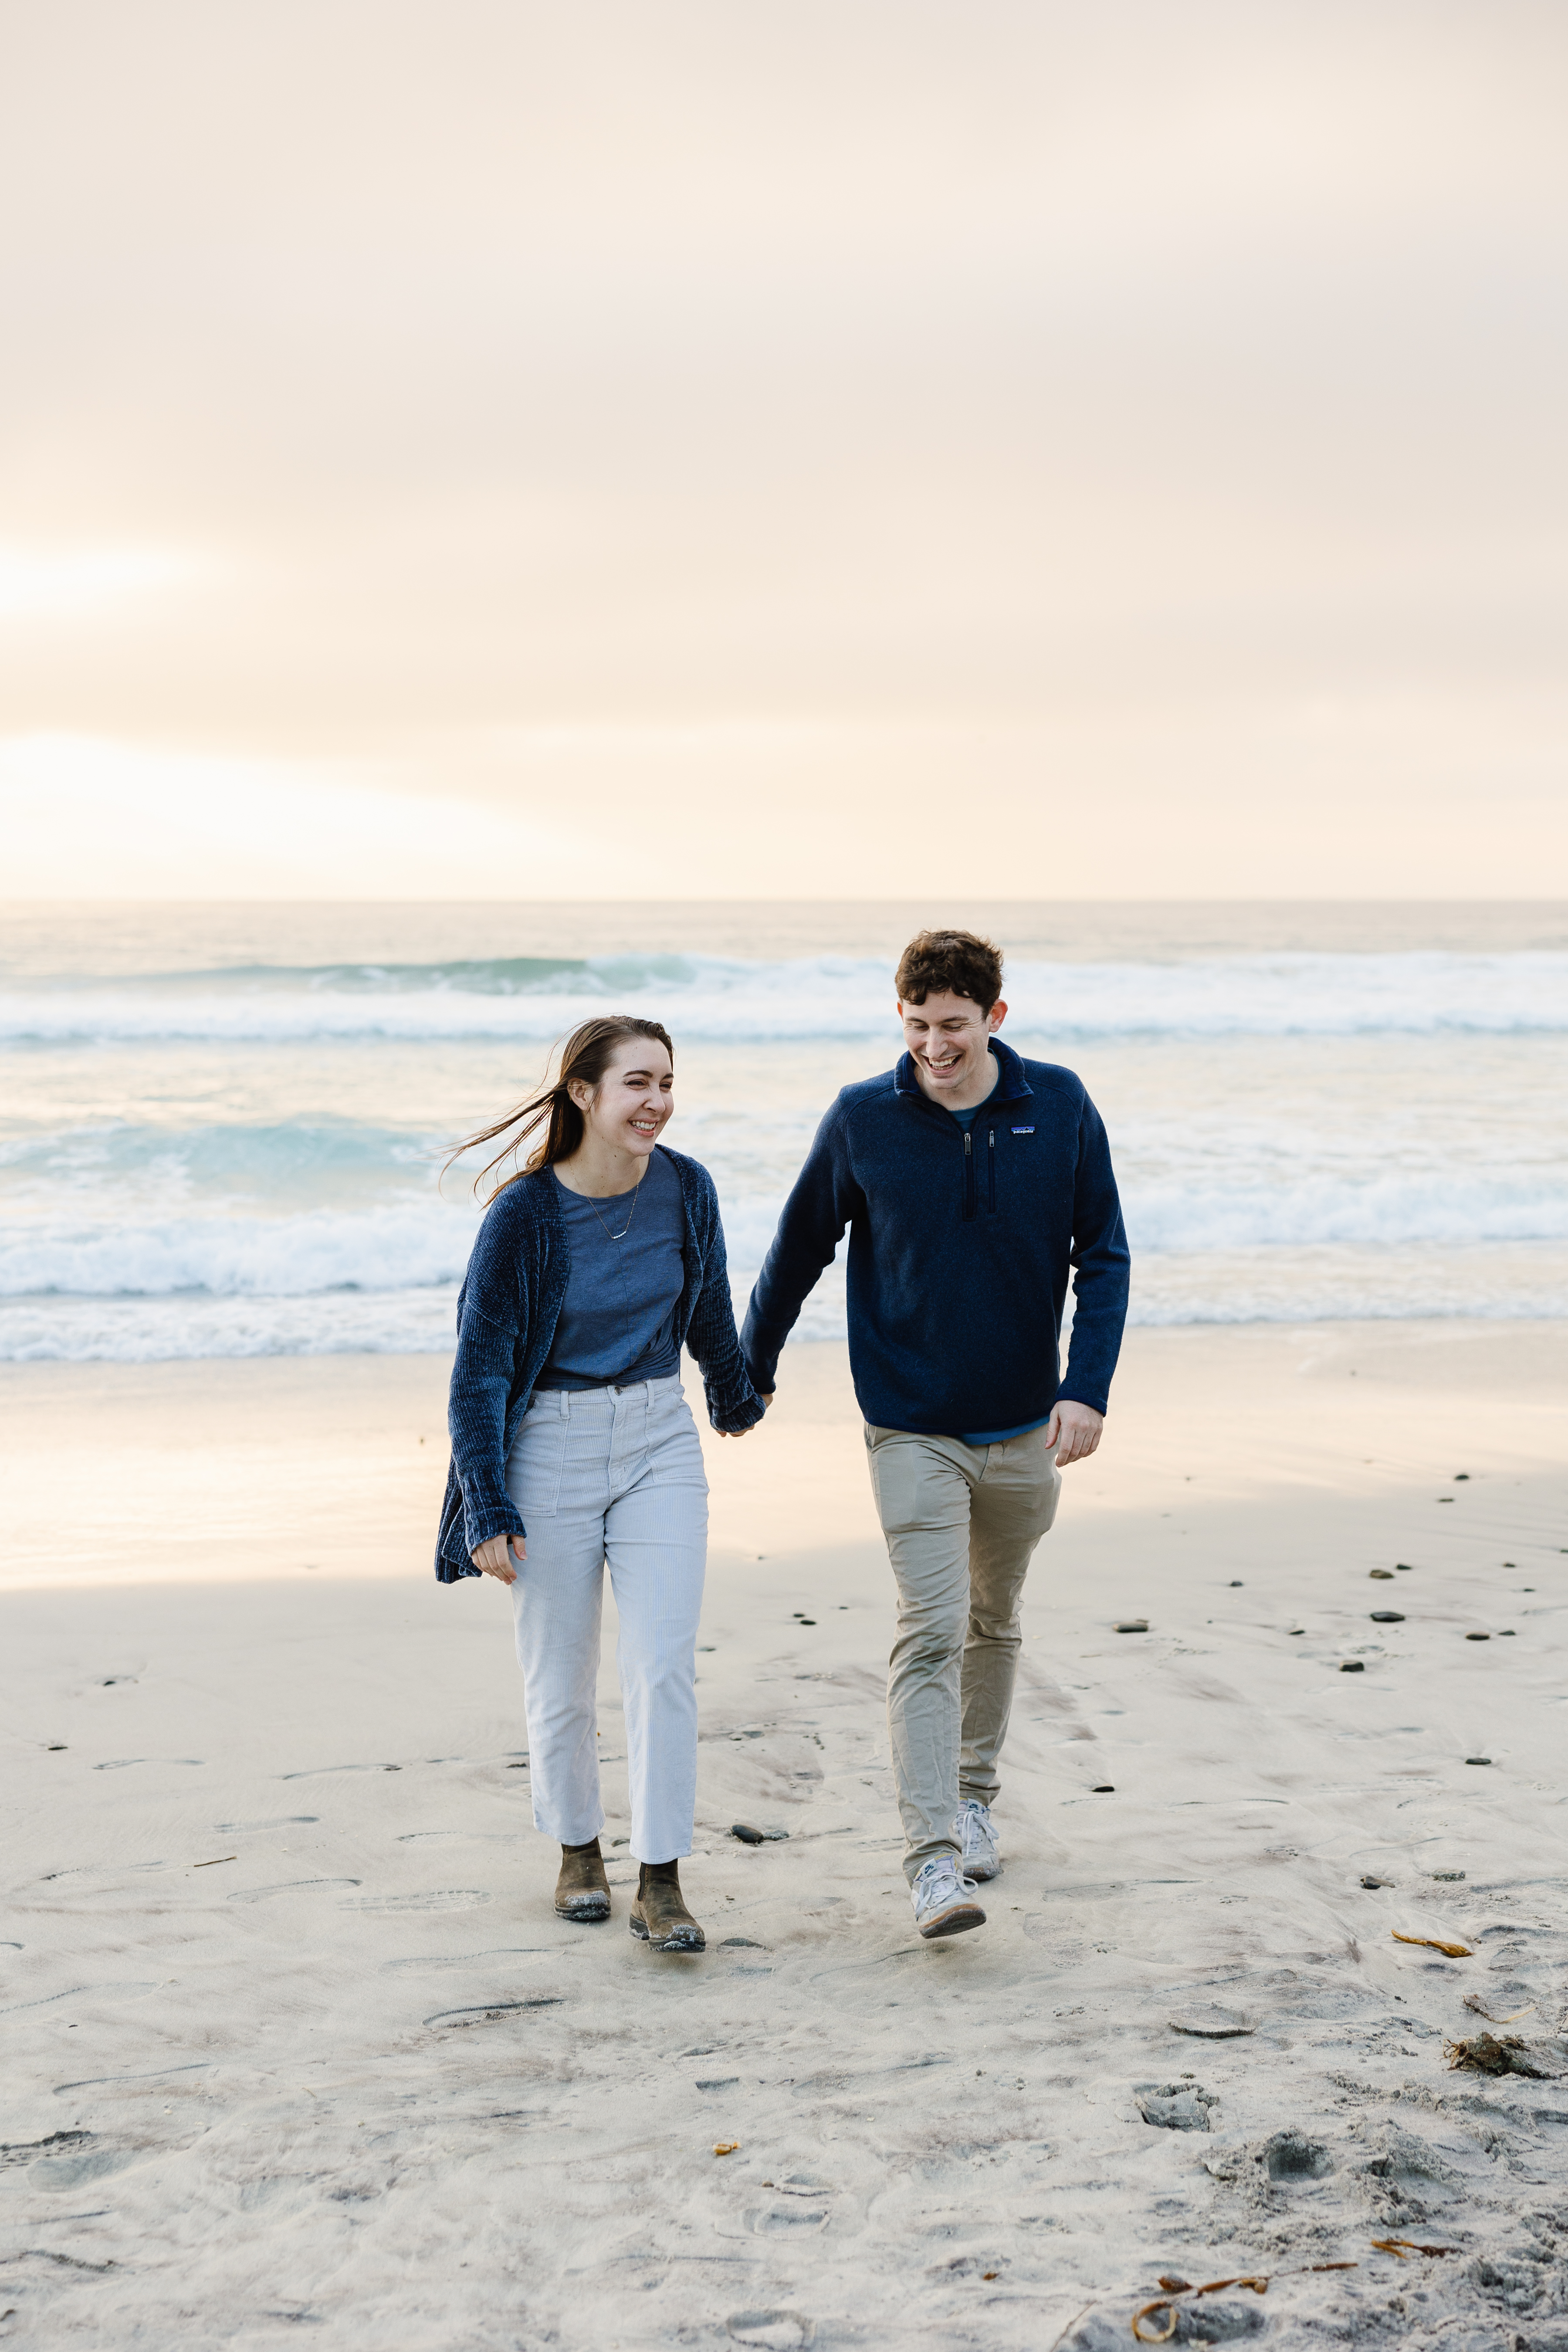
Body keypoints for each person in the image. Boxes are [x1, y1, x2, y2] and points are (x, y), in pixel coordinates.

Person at [742, 930, 1130, 1940]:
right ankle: (931, 1860)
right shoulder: (865, 1117)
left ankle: (973, 1795)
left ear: (996, 1017)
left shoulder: (1061, 1104)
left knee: (995, 1618)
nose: (933, 1045)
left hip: (1025, 1426)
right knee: (931, 1625)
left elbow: (1108, 1255)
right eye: (916, 1025)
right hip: (910, 1423)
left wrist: (1085, 1388)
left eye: (952, 1025)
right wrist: (753, 1366)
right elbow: (797, 1250)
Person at [435, 1015, 767, 1954]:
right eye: (636, 1082)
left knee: (662, 1663)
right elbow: (480, 1372)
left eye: (666, 1080)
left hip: (660, 1432)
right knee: (561, 1668)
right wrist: (488, 1505)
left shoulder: (686, 1186)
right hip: (551, 1445)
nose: (657, 1100)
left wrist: (736, 1395)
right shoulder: (524, 1216)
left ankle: (660, 1879)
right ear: (584, 1093)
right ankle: (579, 1849)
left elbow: (707, 1306)